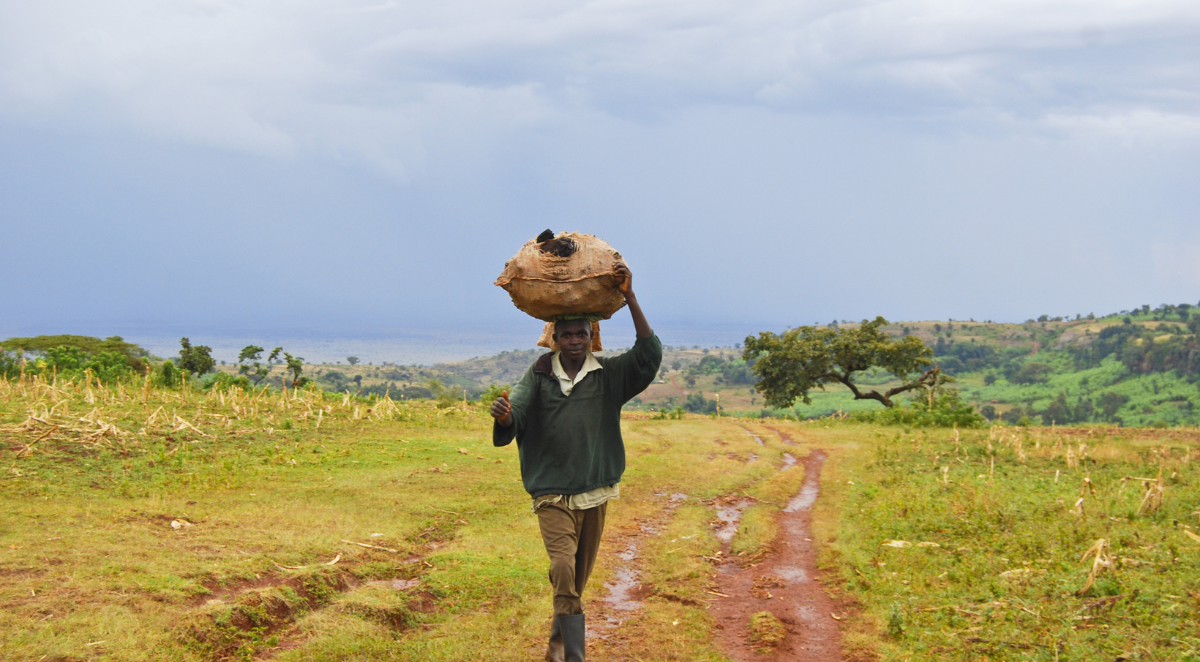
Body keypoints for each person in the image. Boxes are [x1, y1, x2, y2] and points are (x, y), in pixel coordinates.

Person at [491, 261, 661, 662]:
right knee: (564, 570)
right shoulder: (537, 375)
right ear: (553, 337)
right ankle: (575, 658)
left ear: (591, 336)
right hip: (552, 494)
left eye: (580, 333)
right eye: (565, 334)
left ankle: (556, 651)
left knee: (573, 585)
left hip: (595, 494)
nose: (573, 340)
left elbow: (647, 354)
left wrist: (631, 296)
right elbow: (516, 413)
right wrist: (504, 417)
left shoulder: (609, 375)